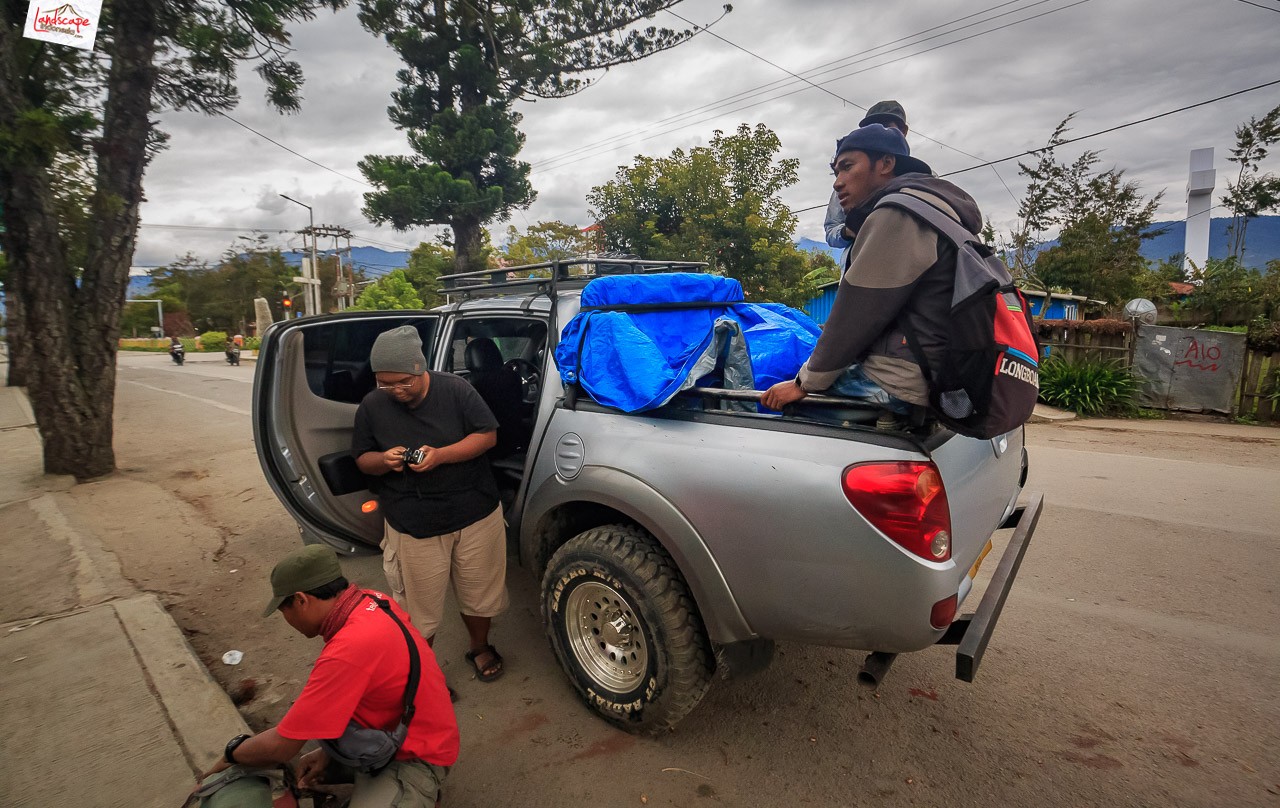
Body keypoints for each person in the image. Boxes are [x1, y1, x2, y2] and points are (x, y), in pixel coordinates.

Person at [198, 545, 458, 807]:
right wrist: (327, 753)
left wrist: (232, 752)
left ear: (301, 600)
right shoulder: (371, 599)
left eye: (283, 610)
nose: (286, 618)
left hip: (418, 753)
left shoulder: (347, 649)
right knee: (295, 755)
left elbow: (282, 746)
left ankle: (419, 790)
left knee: (273, 755)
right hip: (395, 729)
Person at [762, 123, 983, 422]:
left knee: (778, 407)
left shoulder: (898, 213)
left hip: (901, 379)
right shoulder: (944, 213)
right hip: (942, 373)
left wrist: (803, 383)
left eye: (847, 167)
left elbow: (856, 314)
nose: (838, 183)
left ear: (886, 164)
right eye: (835, 172)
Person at [353, 325, 508, 684]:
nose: (395, 390)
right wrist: (385, 460)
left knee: (479, 593)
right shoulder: (372, 405)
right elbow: (362, 459)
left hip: (475, 514)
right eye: (385, 383)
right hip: (414, 523)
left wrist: (440, 456)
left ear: (419, 368)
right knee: (417, 608)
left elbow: (487, 435)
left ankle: (480, 646)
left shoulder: (456, 390)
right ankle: (422, 672)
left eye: (403, 382)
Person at [824, 100, 910, 249]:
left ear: (903, 131)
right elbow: (831, 228)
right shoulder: (847, 186)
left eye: (885, 126)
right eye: (870, 127)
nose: (838, 183)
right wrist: (848, 231)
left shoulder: (923, 182)